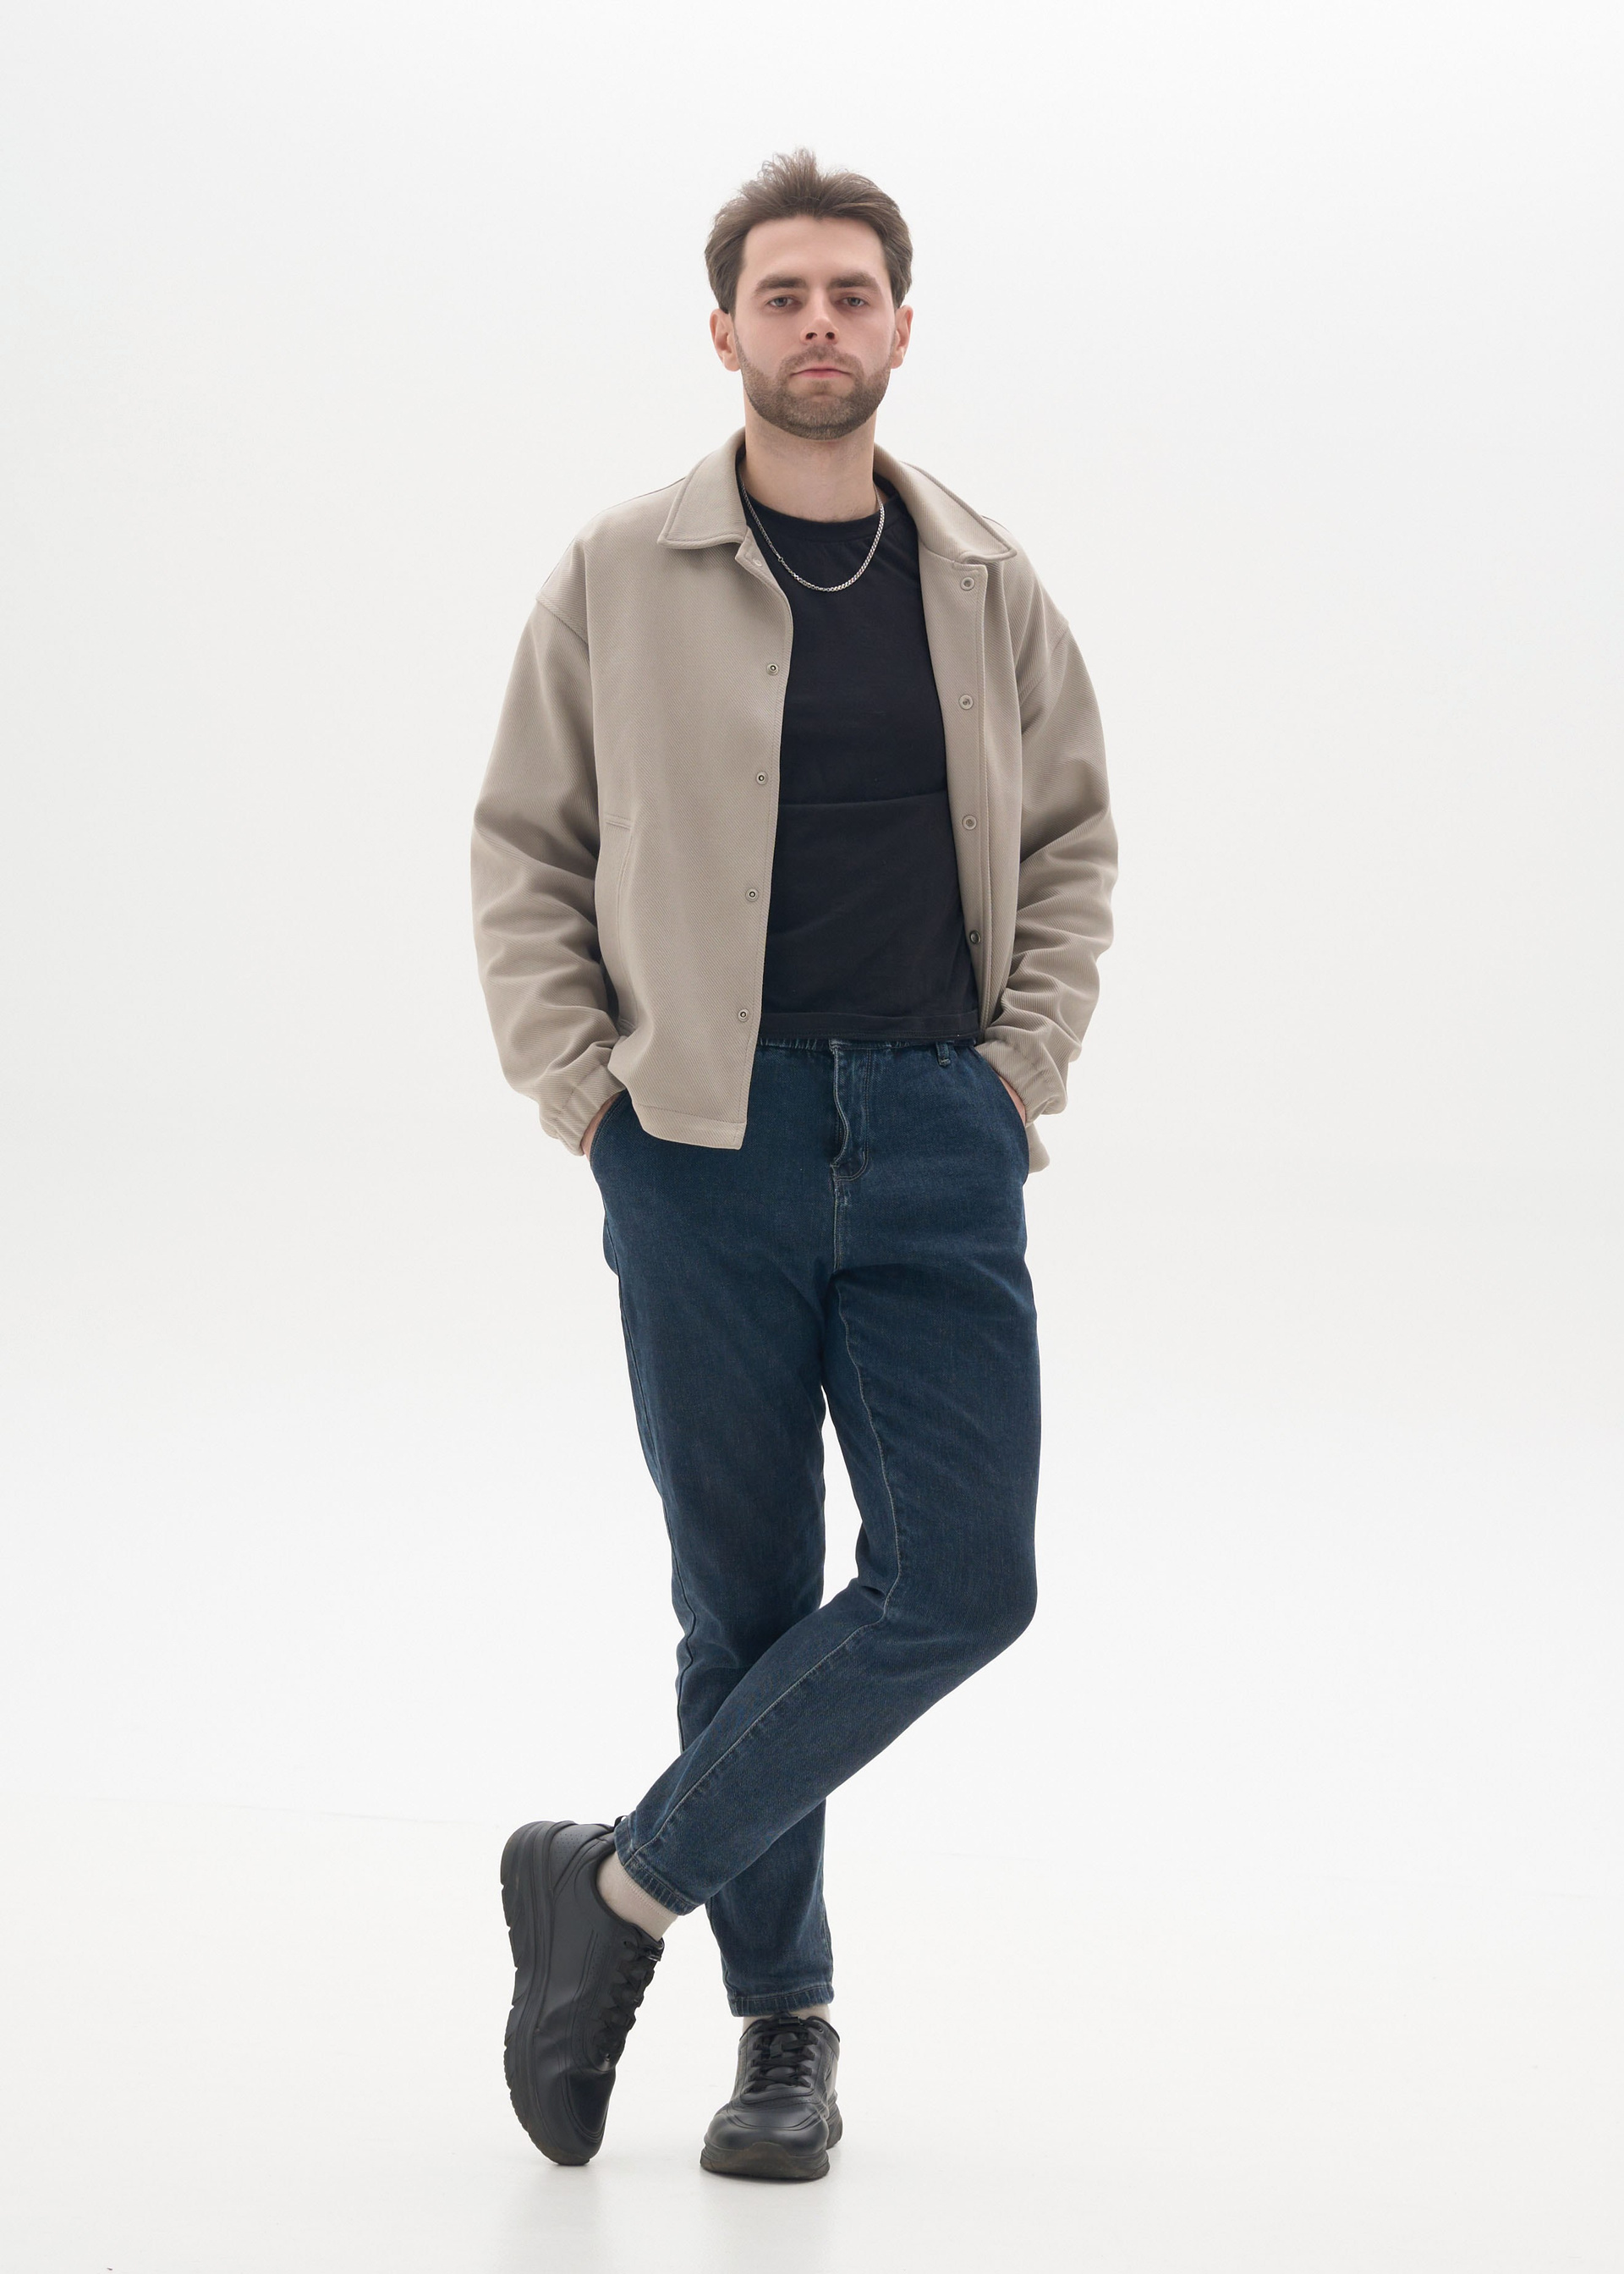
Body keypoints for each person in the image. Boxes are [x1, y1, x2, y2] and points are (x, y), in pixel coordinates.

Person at [471, 148, 1116, 2183]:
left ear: (902, 327)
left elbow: (1073, 842)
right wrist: (588, 1098)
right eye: (783, 294)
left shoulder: (986, 581)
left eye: (851, 293)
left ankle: (613, 1889)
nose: (818, 324)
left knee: (965, 1579)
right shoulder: (616, 571)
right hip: (699, 1145)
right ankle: (784, 2035)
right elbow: (526, 851)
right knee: (741, 1607)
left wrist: (1016, 1077)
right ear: (726, 329)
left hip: (935, 1134)